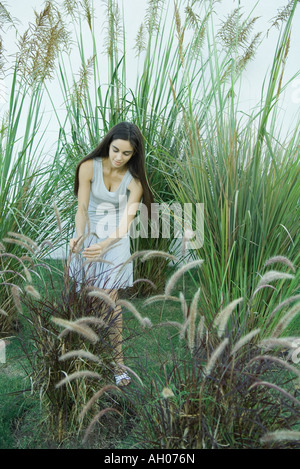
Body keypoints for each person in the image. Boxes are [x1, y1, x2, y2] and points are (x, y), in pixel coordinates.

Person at [69, 122, 154, 387]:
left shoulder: (134, 182)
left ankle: (118, 364)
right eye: (115, 150)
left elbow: (125, 224)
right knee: (89, 298)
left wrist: (105, 245)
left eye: (126, 154)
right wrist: (79, 236)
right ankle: (88, 353)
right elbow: (82, 208)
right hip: (89, 234)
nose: (118, 157)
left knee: (111, 301)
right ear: (109, 144)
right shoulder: (88, 167)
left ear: (134, 155)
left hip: (115, 241)